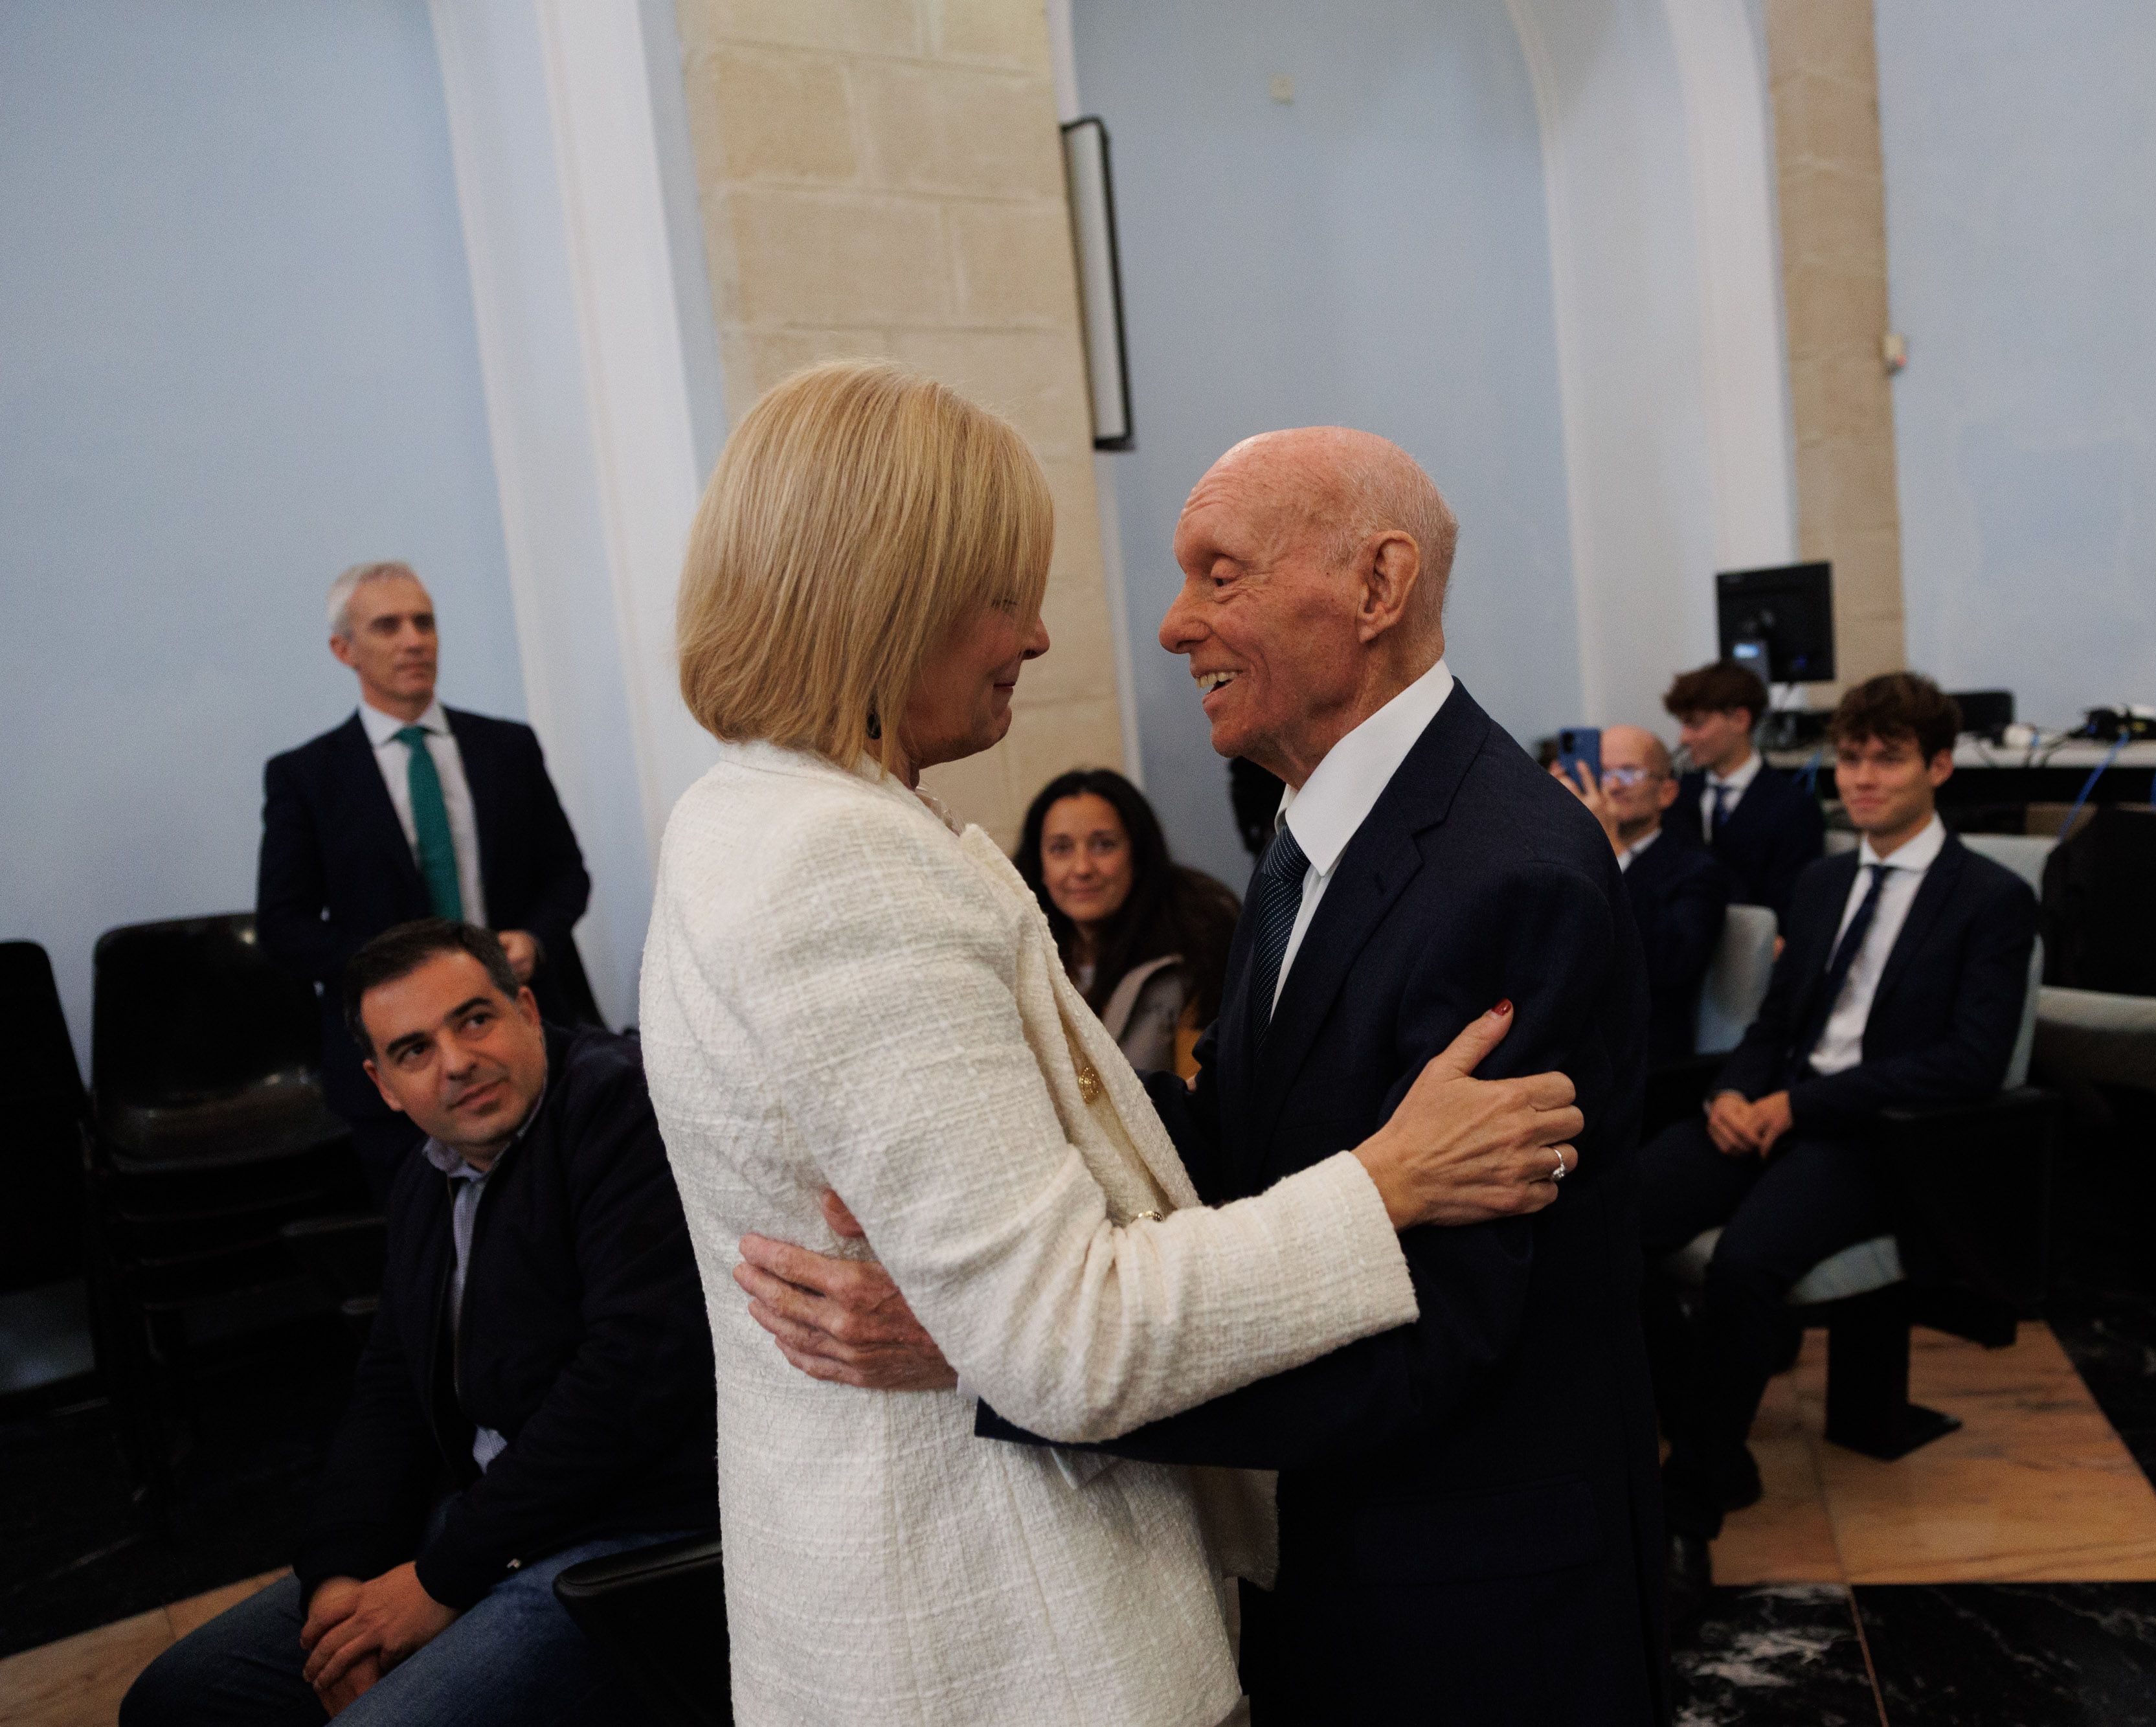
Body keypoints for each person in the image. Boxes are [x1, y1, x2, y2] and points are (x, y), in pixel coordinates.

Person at [636, 365, 1585, 1727]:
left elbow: (1433, 1282)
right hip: (992, 1632)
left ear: (1376, 587)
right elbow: (1064, 1335)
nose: (1046, 636)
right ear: (888, 593)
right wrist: (1379, 1185)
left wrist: (981, 1323)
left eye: (1219, 574)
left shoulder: (743, 818)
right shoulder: (845, 862)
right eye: (1004, 594)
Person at [120, 921, 717, 1727]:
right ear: (384, 1085)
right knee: (180, 1698)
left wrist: (441, 1576)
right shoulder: (429, 1173)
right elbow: (391, 1389)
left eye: (475, 1020)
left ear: (527, 1011)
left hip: (623, 1539)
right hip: (492, 1523)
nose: (456, 1062)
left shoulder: (620, 1110)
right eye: (414, 1050)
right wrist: (339, 1575)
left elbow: (627, 1386)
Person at [1636, 673, 2032, 1575]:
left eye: (1887, 759)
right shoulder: (1820, 882)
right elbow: (1774, 1022)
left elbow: (1968, 1062)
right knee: (1610, 1213)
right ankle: (1708, 1431)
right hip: (1773, 1106)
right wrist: (1731, 1092)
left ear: (1939, 766)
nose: (1862, 778)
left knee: (1744, 1264)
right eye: (1850, 758)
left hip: (1877, 1134)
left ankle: (1687, 1511)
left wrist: (1797, 1105)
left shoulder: (1989, 897)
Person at [256, 561, 596, 1199]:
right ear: (344, 650)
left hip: (526, 1037)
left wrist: (534, 938)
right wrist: (401, 977)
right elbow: (283, 925)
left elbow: (566, 874)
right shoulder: (306, 776)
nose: (414, 640)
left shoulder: (507, 746)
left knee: (566, 1214)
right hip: (403, 1065)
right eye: (388, 626)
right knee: (437, 1243)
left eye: (425, 622)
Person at [1013, 767, 1240, 1076]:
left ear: (1138, 854)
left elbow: (1204, 1094)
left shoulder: (1199, 958)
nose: (1082, 868)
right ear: (1039, 865)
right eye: (1061, 849)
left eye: (1104, 845)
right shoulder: (1022, 964)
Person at [1555, 725, 1731, 1067]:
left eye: (1628, 773)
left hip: (1637, 1051)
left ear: (1667, 792)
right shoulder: (1567, 860)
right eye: (1602, 772)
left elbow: (1670, 965)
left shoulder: (1696, 870)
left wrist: (1611, 849)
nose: (1612, 786)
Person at [1661, 660, 1826, 918]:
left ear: (1739, 720)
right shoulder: (1678, 796)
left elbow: (1795, 906)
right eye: (1683, 725)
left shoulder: (1793, 808)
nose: (1684, 738)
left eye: (1696, 724)